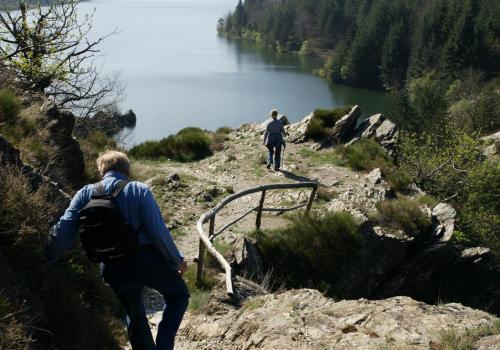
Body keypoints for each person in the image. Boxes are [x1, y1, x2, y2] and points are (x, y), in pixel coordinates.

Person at [46, 150, 189, 350]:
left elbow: (64, 231)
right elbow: (158, 232)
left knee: (134, 313)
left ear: (101, 171)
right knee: (178, 295)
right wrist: (177, 261)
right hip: (145, 261)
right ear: (126, 169)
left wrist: (45, 259)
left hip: (111, 268)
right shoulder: (139, 190)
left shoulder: (85, 193)